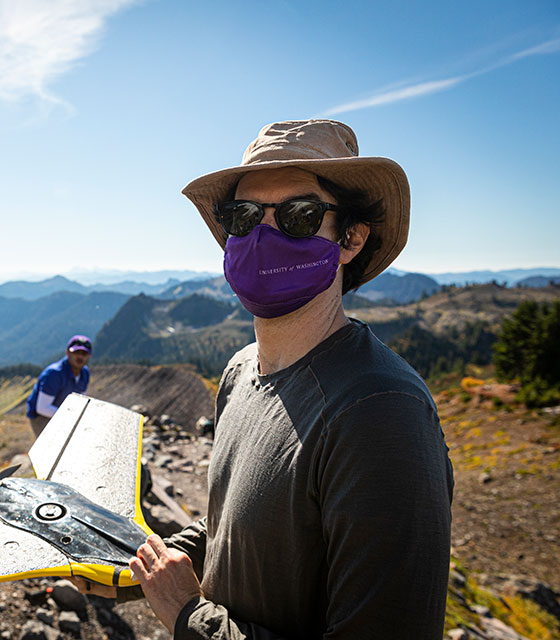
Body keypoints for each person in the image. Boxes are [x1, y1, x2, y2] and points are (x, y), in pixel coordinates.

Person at [75, 120, 454, 639]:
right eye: (243, 216)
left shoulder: (380, 410)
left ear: (351, 238)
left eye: (300, 216)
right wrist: (142, 569)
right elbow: (237, 523)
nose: (263, 236)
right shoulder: (240, 372)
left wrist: (189, 614)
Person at [25, 335, 92, 437]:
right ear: (67, 353)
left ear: (89, 356)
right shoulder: (54, 374)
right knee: (50, 448)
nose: (80, 357)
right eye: (76, 352)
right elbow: (42, 408)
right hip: (41, 417)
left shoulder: (85, 373)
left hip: (62, 413)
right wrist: (70, 416)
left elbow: (81, 400)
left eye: (84, 353)